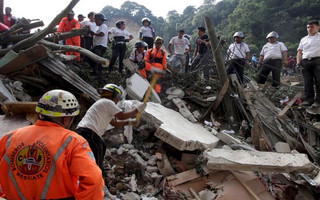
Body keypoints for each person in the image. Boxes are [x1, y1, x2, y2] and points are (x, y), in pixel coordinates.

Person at [0, 89, 104, 199]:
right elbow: (94, 181)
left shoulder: (9, 138)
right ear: (66, 119)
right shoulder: (73, 142)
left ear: (40, 113)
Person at [76, 83, 146, 171]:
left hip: (85, 132)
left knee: (102, 145)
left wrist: (129, 122)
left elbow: (114, 123)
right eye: (117, 97)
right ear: (112, 95)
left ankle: (95, 171)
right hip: (89, 133)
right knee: (97, 153)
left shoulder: (104, 104)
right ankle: (98, 175)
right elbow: (121, 116)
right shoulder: (107, 102)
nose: (117, 100)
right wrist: (137, 110)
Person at [297, 20, 320, 109]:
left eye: (312, 27)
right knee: (307, 82)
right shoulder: (303, 39)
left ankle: (318, 101)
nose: (309, 29)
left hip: (318, 61)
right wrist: (298, 63)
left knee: (319, 81)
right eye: (308, 27)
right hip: (305, 62)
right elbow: (299, 52)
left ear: (318, 27)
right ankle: (309, 100)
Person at [86, 13, 108, 83]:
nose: (95, 21)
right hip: (96, 45)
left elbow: (102, 34)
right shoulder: (98, 27)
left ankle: (99, 76)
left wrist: (93, 33)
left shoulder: (103, 26)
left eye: (96, 20)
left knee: (98, 60)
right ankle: (94, 69)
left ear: (99, 20)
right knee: (88, 56)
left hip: (101, 46)